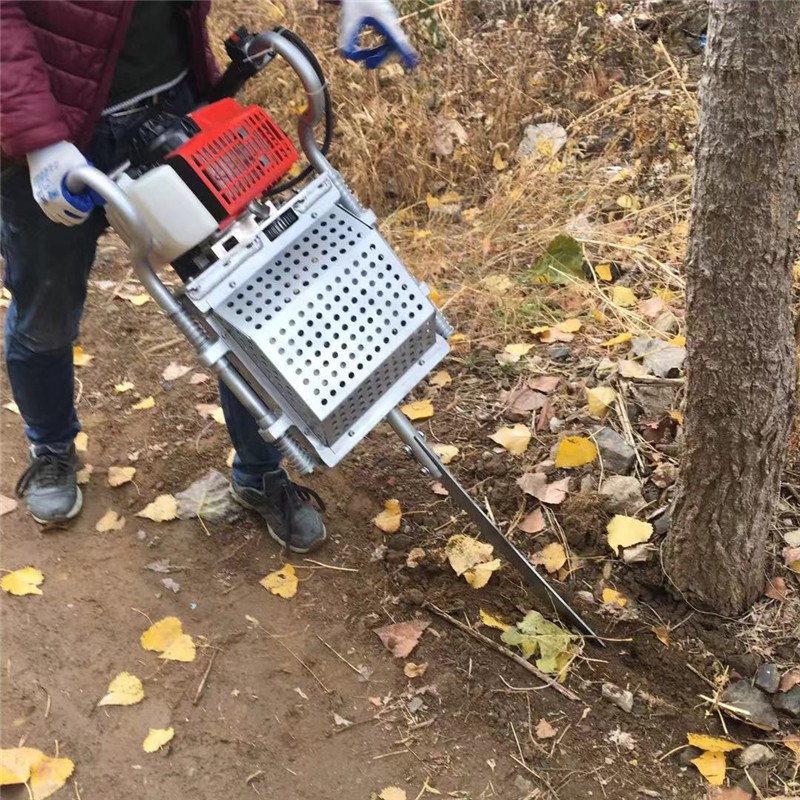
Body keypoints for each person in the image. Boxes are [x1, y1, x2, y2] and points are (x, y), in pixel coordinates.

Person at [0, 0, 417, 552]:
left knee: (241, 292)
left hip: (175, 106)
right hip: (55, 129)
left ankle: (259, 470)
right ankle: (52, 449)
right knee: (45, 310)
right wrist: (36, 138)